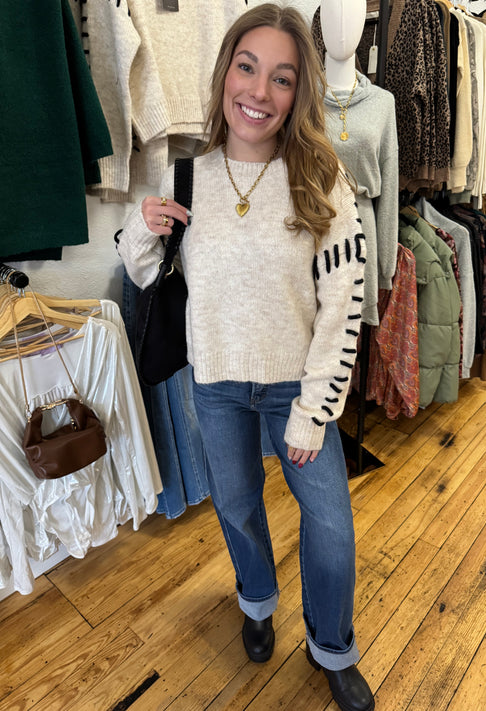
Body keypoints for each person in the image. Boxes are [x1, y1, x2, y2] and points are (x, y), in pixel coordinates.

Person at [117, 5, 374, 710]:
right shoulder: (187, 175)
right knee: (235, 505)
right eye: (247, 67)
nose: (259, 91)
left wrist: (315, 410)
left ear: (298, 92)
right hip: (217, 382)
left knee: (330, 524)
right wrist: (139, 229)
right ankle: (256, 601)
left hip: (297, 386)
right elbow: (149, 274)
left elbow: (343, 305)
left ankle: (331, 646)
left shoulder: (321, 179)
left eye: (281, 78)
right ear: (225, 71)